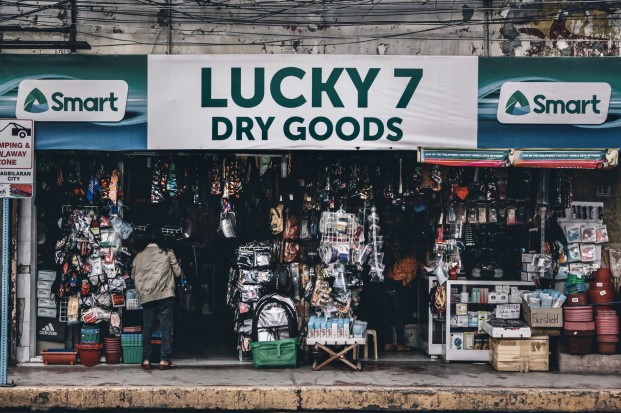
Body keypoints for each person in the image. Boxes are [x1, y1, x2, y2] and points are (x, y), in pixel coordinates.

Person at [132, 226, 182, 370]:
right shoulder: (168, 253)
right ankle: (164, 360)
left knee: (147, 327)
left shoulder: (139, 256)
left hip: (147, 296)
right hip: (165, 294)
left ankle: (146, 359)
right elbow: (178, 273)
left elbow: (134, 276)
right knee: (166, 327)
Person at [383, 237, 418, 352]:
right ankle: (400, 344)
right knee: (400, 314)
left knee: (388, 314)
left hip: (388, 284)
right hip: (398, 286)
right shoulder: (411, 260)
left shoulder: (398, 259)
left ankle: (388, 343)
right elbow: (409, 278)